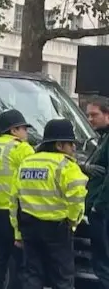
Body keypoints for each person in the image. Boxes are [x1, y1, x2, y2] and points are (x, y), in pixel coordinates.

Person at [9, 118, 89, 289]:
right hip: (57, 229)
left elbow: (14, 200)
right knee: (62, 277)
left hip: (29, 227)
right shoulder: (66, 165)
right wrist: (73, 220)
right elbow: (77, 197)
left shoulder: (26, 163)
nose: (74, 148)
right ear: (59, 146)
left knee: (32, 275)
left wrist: (17, 232)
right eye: (70, 144)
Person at [0, 109, 35, 289]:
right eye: (23, 129)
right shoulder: (20, 148)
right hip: (15, 214)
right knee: (23, 262)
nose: (26, 133)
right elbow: (33, 177)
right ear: (13, 130)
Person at [84, 96, 109, 288]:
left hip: (102, 212)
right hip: (99, 209)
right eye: (88, 115)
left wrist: (98, 206)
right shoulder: (103, 138)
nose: (90, 119)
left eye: (95, 115)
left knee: (103, 262)